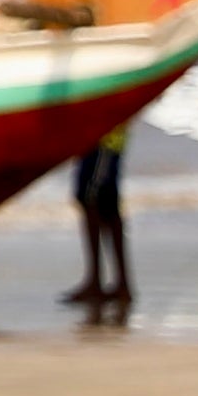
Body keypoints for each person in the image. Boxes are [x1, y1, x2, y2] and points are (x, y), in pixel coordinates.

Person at [60, 117, 132, 315]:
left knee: (92, 199)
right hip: (96, 134)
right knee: (102, 202)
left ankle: (100, 282)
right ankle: (115, 283)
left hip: (105, 137)